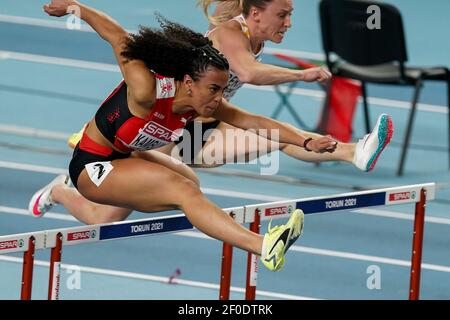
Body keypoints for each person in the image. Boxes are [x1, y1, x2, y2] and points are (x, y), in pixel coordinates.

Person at [30, 0, 340, 271]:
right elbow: (118, 36)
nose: (219, 99)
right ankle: (264, 246)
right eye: (214, 89)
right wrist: (74, 7)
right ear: (189, 82)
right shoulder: (146, 90)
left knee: (183, 186)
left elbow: (254, 121)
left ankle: (58, 192)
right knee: (183, 191)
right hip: (92, 163)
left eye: (222, 89)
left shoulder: (204, 101)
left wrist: (306, 141)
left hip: (130, 152)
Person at [68, 0, 393, 174]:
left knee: (277, 135)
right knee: (108, 214)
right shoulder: (229, 33)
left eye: (290, 14)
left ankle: (353, 153)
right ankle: (69, 179)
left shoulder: (252, 32)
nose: (289, 23)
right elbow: (249, 73)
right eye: (283, 14)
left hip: (205, 126)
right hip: (173, 127)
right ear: (254, 14)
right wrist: (301, 76)